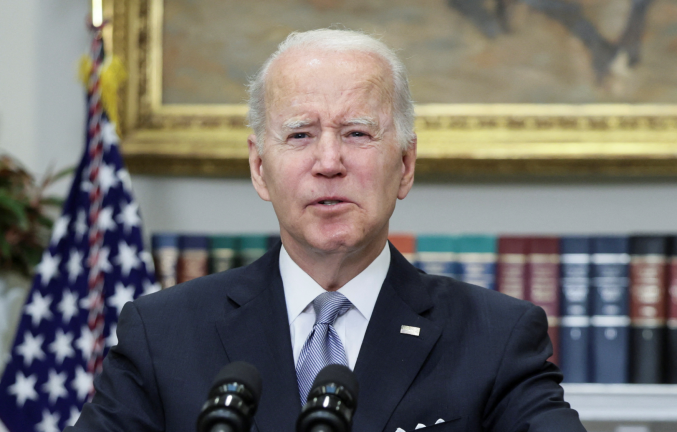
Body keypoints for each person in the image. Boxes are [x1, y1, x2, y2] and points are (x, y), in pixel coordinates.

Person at [68, 29, 586, 432]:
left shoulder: (494, 338)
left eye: (357, 133)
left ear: (405, 165)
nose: (329, 161)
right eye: (300, 134)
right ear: (258, 167)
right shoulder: (164, 334)